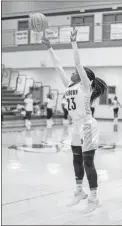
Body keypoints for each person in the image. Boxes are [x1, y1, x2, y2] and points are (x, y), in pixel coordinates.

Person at [42, 29, 107, 213]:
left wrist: (73, 43)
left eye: (75, 72)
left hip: (87, 125)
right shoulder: (70, 85)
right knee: (76, 159)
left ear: (83, 75)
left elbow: (77, 63)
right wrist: (50, 49)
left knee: (88, 161)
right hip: (76, 126)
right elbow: (58, 67)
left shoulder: (85, 85)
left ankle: (94, 197)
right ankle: (79, 191)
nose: (71, 73)